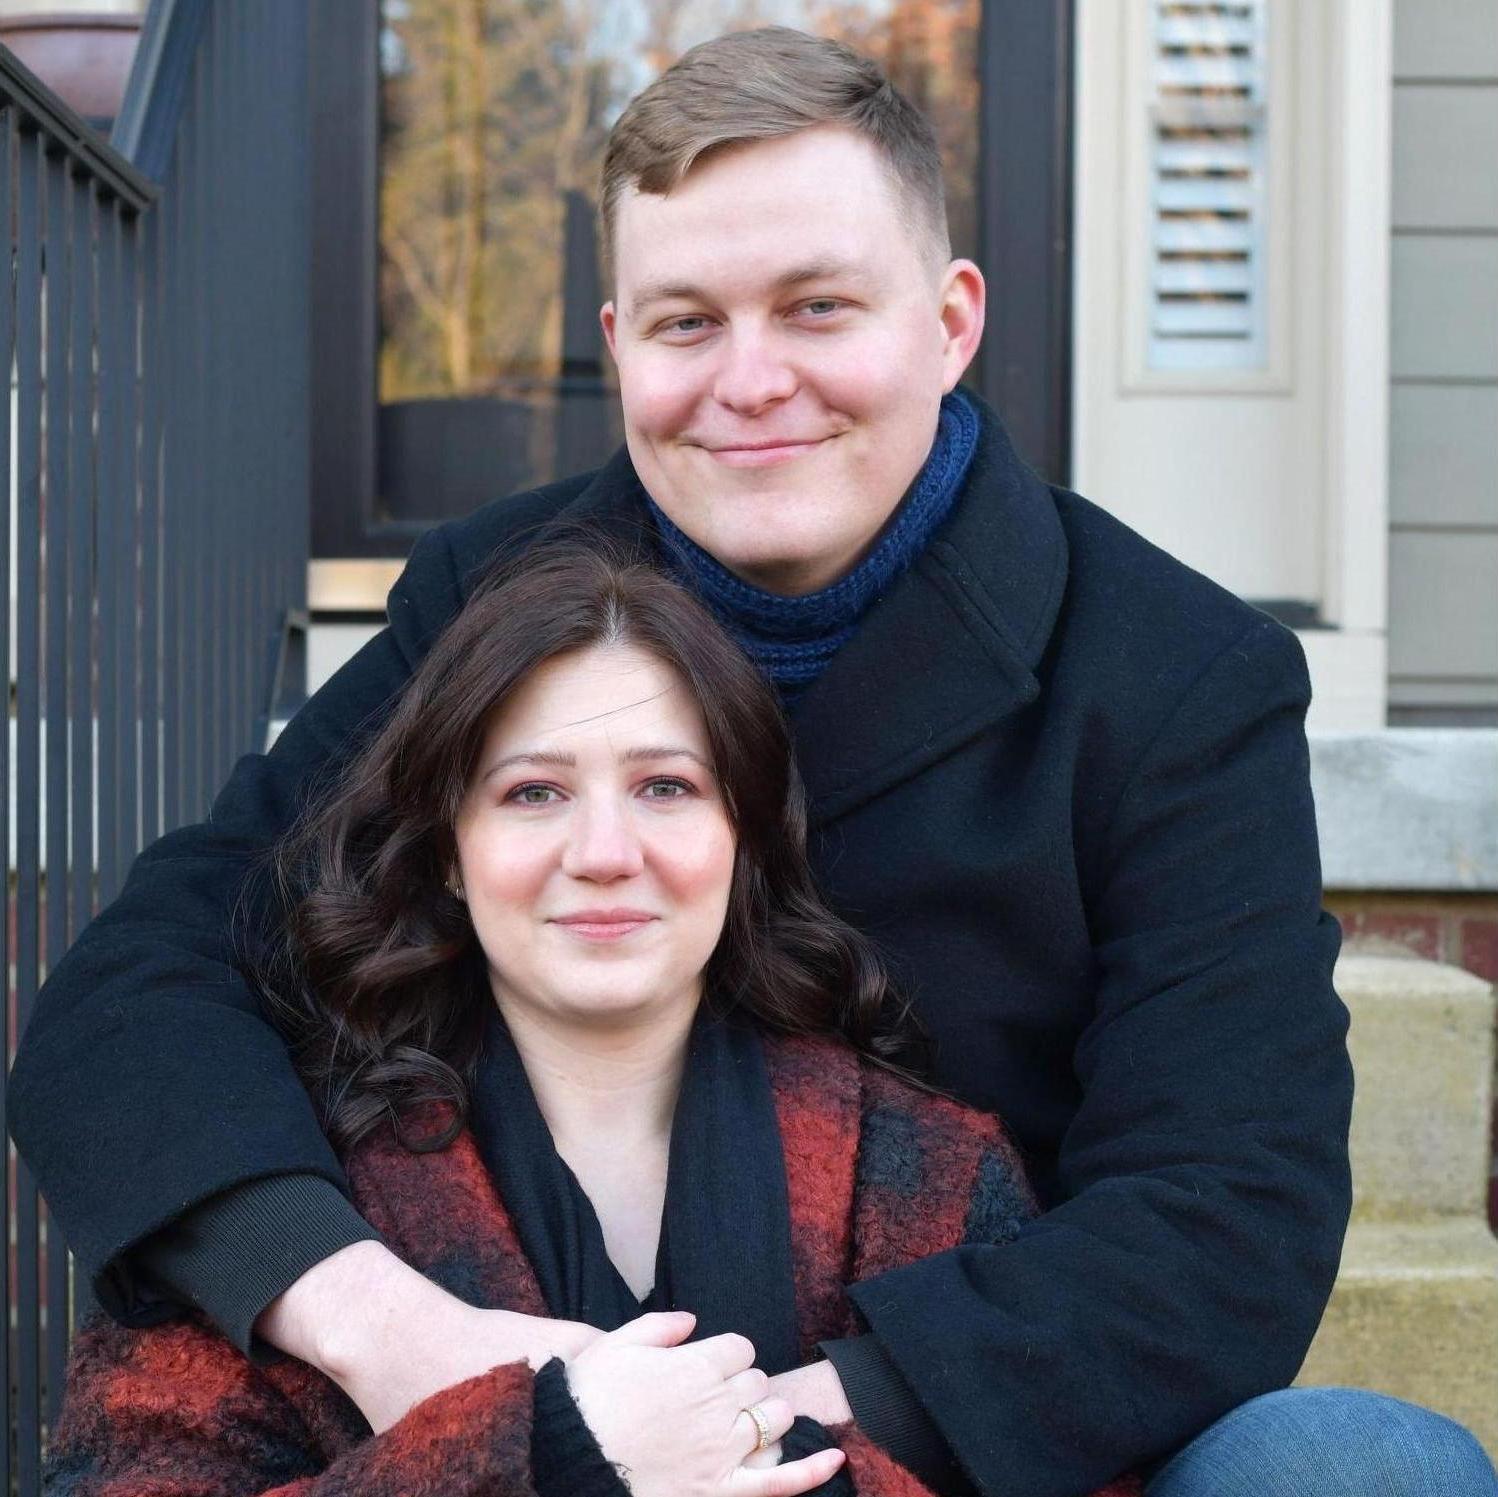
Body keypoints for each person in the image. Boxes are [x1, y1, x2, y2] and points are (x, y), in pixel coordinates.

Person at [11, 25, 1494, 1497]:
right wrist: (409, 1345)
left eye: (816, 308)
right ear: (615, 345)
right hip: (512, 1374)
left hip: (959, 1422)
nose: (751, 381)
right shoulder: (493, 597)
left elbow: (1227, 1205)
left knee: (1361, 1464)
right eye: (686, 323)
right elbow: (149, 985)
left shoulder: (1170, 677)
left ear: (951, 319)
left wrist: (755, 1430)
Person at [43, 545, 1138, 1497]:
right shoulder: (296, 1186)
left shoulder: (929, 1171)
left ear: (743, 841)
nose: (605, 852)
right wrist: (547, 1458)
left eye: (665, 787)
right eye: (533, 793)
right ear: (450, 858)